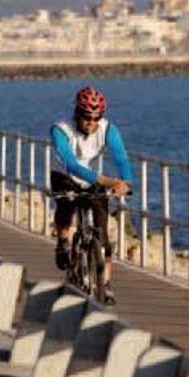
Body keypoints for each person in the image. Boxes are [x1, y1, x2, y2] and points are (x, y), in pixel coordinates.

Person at [50, 85, 132, 305]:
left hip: (94, 180)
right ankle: (63, 241)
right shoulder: (60, 129)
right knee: (66, 211)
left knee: (102, 235)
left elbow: (121, 157)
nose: (92, 122)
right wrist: (106, 180)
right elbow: (71, 163)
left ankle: (105, 284)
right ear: (77, 113)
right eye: (87, 117)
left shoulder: (108, 130)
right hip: (65, 175)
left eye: (97, 117)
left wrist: (125, 181)